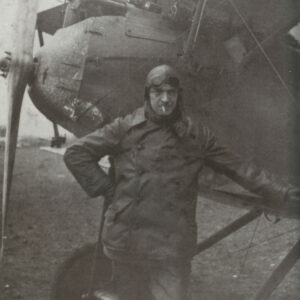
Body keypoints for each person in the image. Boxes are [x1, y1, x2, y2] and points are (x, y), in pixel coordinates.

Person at [64, 64, 295, 300]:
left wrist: (284, 193)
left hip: (171, 246)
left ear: (178, 96)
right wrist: (110, 191)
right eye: (158, 92)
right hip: (128, 243)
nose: (165, 100)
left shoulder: (196, 135)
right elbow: (76, 154)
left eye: (171, 93)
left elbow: (241, 169)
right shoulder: (125, 128)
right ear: (147, 94)